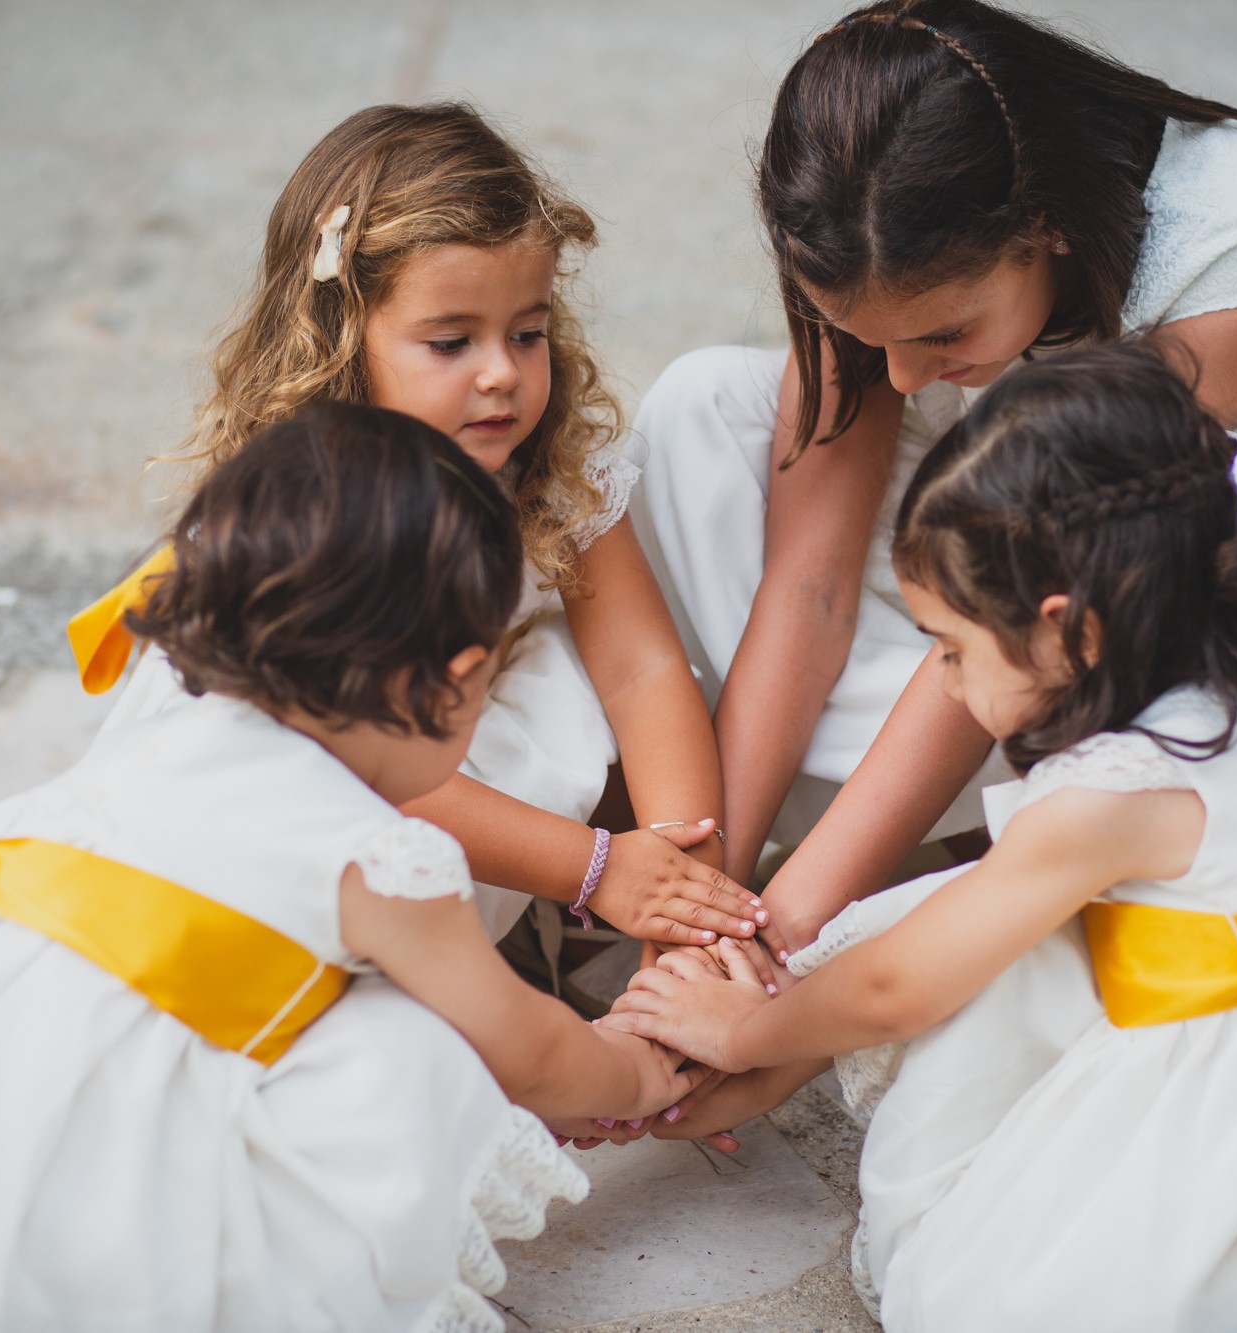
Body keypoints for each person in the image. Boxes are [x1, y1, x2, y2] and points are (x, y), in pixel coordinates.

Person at [612, 345, 1237, 1331]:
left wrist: (741, 1030)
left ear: (1069, 630)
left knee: (1022, 1271)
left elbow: (896, 983)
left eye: (949, 648)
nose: (942, 683)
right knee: (1003, 926)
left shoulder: (1113, 795)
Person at [0, 403, 707, 1332]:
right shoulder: (385, 856)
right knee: (416, 1056)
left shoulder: (172, 716)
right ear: (459, 679)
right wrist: (632, 1064)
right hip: (89, 1130)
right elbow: (524, 1049)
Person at [630, 0, 1237, 959]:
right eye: (867, 339)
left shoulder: (1235, 246)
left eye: (941, 336)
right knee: (706, 410)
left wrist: (787, 930)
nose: (898, 377)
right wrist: (704, 901)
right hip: (1011, 598)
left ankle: (1010, 829)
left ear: (1046, 225)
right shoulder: (858, 239)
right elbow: (807, 587)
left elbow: (1012, 604)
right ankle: (948, 821)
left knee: (1219, 499)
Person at [69, 103, 762, 963]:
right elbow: (352, 764)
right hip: (304, 817)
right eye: (450, 342)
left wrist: (684, 886)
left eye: (528, 333)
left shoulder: (547, 468)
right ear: (341, 341)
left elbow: (643, 667)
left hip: (429, 753)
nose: (503, 373)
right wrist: (597, 869)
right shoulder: (316, 513)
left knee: (573, 664)